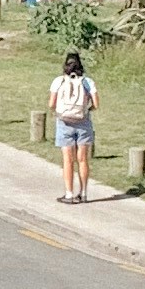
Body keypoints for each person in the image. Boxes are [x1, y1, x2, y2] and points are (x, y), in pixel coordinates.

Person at [50, 43, 98, 203]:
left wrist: (58, 111)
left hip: (64, 122)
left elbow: (51, 103)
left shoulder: (58, 81)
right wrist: (86, 110)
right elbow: (96, 104)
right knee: (83, 159)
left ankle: (69, 193)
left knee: (67, 159)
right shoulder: (87, 82)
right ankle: (83, 193)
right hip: (83, 122)